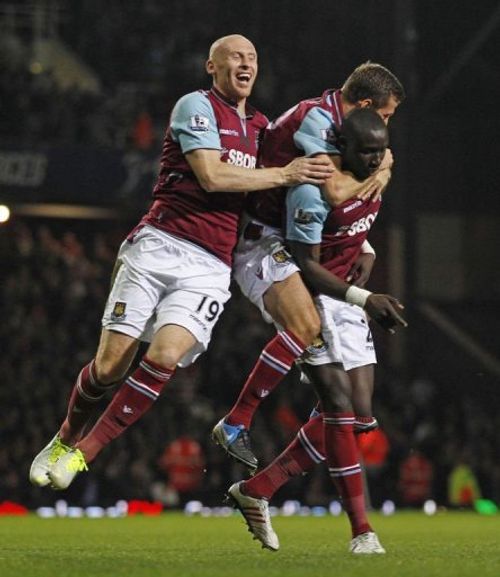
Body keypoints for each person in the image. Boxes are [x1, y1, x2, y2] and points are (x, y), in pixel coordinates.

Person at [28, 34, 335, 490]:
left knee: (166, 356)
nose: (245, 63)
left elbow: (286, 185)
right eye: (235, 56)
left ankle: (82, 455)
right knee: (110, 366)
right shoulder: (195, 105)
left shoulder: (264, 130)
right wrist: (284, 173)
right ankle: (64, 438)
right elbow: (211, 175)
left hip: (210, 267)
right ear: (212, 66)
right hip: (158, 246)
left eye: (252, 57)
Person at [225, 108, 404, 554]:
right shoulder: (312, 191)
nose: (375, 159)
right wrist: (366, 297)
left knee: (360, 415)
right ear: (341, 148)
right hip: (315, 294)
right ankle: (362, 532)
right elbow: (306, 266)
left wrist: (367, 246)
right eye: (366, 152)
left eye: (379, 151)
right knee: (339, 407)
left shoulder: (379, 167)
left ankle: (259, 488)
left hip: (345, 293)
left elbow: (353, 221)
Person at [213, 62, 406, 472]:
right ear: (366, 104)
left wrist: (365, 245)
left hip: (292, 231)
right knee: (305, 328)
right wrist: (383, 171)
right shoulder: (317, 118)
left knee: (346, 404)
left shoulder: (343, 124)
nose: (383, 128)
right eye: (384, 114)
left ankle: (259, 487)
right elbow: (334, 191)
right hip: (264, 234)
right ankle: (237, 421)